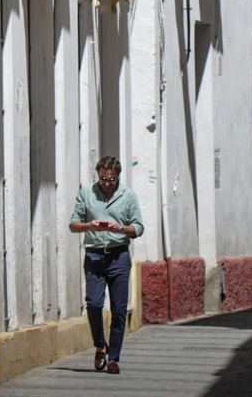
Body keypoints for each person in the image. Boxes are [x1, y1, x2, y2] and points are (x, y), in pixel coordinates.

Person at [69, 156, 143, 374]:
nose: (107, 183)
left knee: (119, 310)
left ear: (117, 177)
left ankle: (114, 358)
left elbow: (138, 227)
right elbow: (73, 225)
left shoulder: (128, 196)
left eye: (111, 179)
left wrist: (120, 228)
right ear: (98, 174)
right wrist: (89, 226)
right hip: (94, 257)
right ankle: (100, 346)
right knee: (93, 303)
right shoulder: (87, 193)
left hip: (119, 257)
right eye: (103, 179)